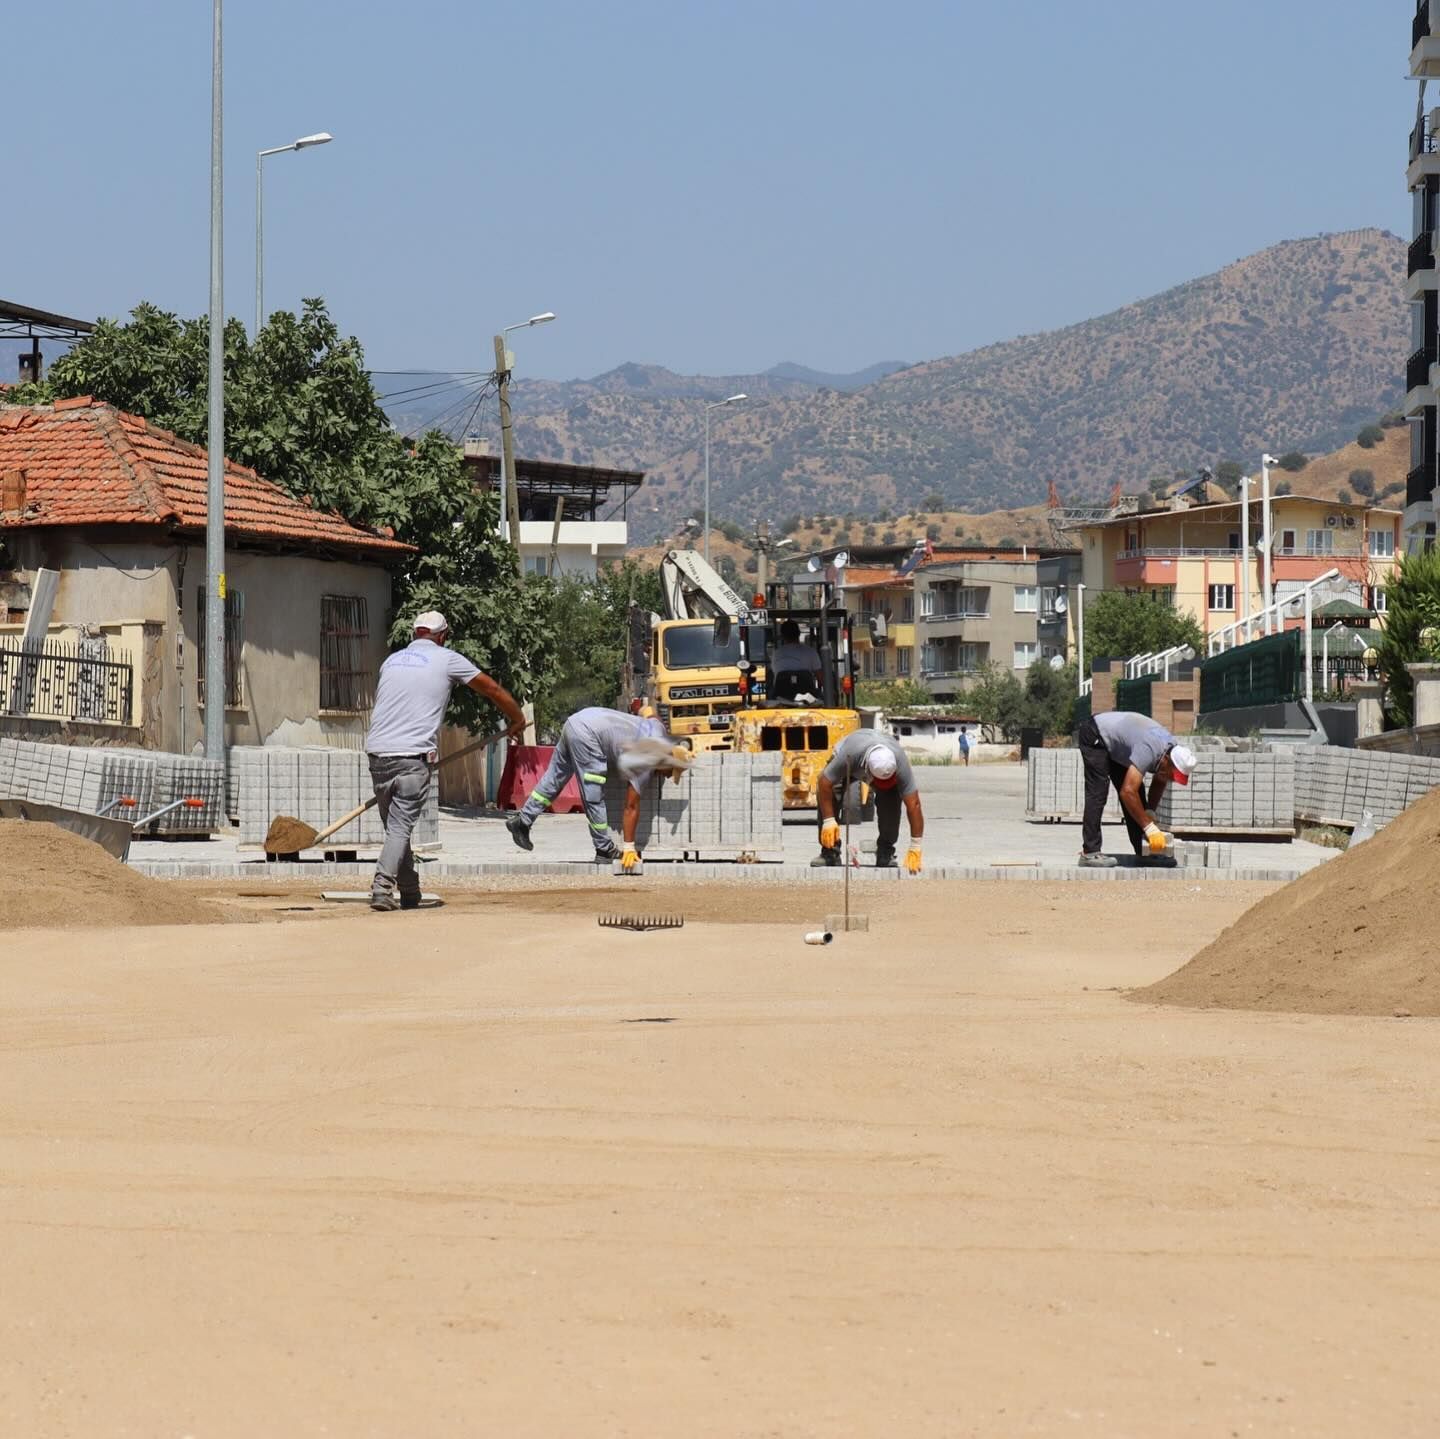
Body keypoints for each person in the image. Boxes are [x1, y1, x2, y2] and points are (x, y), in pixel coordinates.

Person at [365, 610, 525, 911]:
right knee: (400, 829)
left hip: (378, 755)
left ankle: (410, 892)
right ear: (443, 635)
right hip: (413, 758)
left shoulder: (391, 661)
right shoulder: (447, 658)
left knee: (396, 831)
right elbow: (490, 688)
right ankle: (381, 886)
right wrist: (516, 717)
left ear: (415, 634)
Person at [507, 706, 691, 867]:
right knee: (593, 792)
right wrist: (628, 847)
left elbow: (650, 713)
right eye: (670, 772)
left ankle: (522, 821)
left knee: (555, 777)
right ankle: (603, 849)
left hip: (577, 721)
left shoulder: (658, 730)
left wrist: (643, 710)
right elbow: (631, 806)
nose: (667, 777)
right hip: (589, 734)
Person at [1075, 711, 1196, 868]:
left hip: (1119, 744)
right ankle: (1089, 852)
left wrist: (1150, 813)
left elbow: (1159, 781)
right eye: (1174, 775)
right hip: (1096, 733)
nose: (1173, 779)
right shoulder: (1149, 749)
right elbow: (1127, 792)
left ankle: (1143, 851)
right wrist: (1149, 827)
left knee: (1136, 795)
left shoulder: (1169, 752)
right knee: (1098, 792)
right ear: (1167, 760)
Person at [812, 731, 924, 873]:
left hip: (872, 757)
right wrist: (828, 820)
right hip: (849, 760)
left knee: (891, 798)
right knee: (830, 792)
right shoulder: (849, 755)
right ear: (868, 773)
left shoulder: (899, 761)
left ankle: (885, 851)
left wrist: (916, 846)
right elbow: (823, 782)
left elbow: (914, 804)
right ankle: (830, 852)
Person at [768, 619, 823, 703]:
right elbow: (820, 678)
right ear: (799, 633)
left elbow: (775, 673)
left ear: (782, 636)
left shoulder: (776, 653)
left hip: (782, 696)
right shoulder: (810, 652)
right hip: (807, 697)